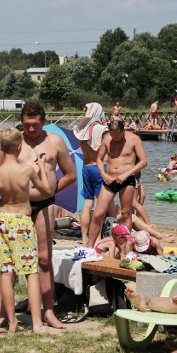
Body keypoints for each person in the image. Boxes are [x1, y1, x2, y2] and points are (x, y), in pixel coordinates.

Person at [0, 102, 76, 329]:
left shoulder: (55, 142)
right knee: (9, 260)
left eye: (35, 125)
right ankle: (5, 311)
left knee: (43, 259)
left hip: (44, 204)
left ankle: (48, 310)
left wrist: (50, 190)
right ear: (22, 122)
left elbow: (70, 175)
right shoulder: (13, 142)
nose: (30, 130)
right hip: (16, 207)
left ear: (44, 121)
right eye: (27, 125)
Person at [0, 127, 50, 333]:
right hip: (22, 222)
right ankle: (37, 323)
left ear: (2, 148)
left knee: (5, 271)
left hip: (3, 220)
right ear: (20, 147)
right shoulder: (27, 170)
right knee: (30, 271)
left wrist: (3, 201)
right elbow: (46, 191)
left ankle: (12, 322)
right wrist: (42, 168)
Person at [86, 120, 148, 248]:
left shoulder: (134, 139)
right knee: (98, 214)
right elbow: (99, 158)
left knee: (126, 213)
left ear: (123, 131)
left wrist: (127, 174)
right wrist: (103, 173)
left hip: (126, 179)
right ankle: (89, 246)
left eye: (117, 135)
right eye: (112, 134)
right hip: (109, 179)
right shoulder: (107, 139)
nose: (114, 138)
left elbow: (143, 162)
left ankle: (123, 247)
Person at [73, 102, 110, 247]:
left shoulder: (80, 129)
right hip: (100, 167)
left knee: (87, 204)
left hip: (86, 167)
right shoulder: (102, 129)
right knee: (100, 205)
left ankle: (84, 238)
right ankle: (98, 237)